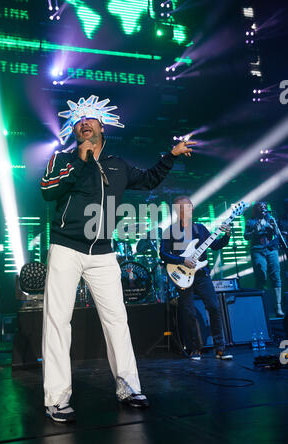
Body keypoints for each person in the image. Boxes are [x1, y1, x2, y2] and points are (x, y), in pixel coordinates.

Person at [40, 95, 197, 422]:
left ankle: (129, 387)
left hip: (103, 253)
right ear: (75, 129)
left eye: (90, 119)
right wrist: (80, 164)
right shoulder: (62, 159)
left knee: (117, 321)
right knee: (57, 321)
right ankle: (56, 397)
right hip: (66, 247)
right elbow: (48, 189)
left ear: (101, 126)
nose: (84, 123)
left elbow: (150, 179)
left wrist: (170, 156)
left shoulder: (118, 165)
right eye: (79, 121)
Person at [160, 196, 233, 361]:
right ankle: (194, 349)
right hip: (182, 276)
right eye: (181, 208)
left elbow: (215, 246)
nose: (185, 210)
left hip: (201, 275)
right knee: (189, 313)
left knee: (214, 307)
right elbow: (163, 253)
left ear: (192, 208)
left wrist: (227, 235)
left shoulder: (200, 229)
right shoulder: (170, 231)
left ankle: (220, 348)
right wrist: (182, 260)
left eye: (188, 207)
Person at [244, 201, 284, 316]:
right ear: (256, 210)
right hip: (258, 250)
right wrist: (254, 231)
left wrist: (274, 226)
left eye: (265, 208)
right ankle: (262, 306)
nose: (263, 209)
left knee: (276, 275)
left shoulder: (271, 219)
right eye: (261, 208)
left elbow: (277, 233)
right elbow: (246, 236)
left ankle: (278, 307)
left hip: (272, 249)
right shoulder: (250, 221)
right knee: (261, 276)